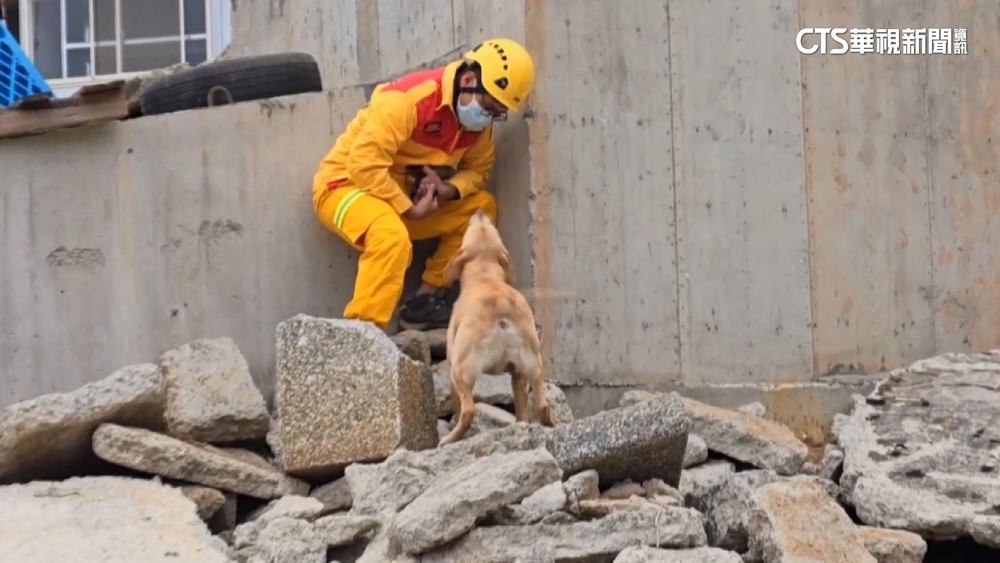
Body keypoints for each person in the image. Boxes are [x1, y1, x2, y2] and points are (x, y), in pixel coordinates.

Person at [311, 38, 536, 331]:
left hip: (395, 200)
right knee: (390, 236)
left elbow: (478, 170)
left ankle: (424, 304)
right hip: (344, 188)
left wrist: (447, 189)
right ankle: (362, 338)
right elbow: (363, 164)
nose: (488, 117)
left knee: (480, 210)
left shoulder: (478, 126)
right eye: (487, 106)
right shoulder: (408, 100)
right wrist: (408, 208)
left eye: (497, 112)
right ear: (468, 79)